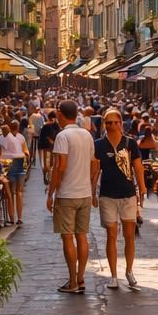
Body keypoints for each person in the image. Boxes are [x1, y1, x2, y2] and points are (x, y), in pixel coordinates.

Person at [94, 108, 146, 290]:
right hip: (107, 194)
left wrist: (143, 188)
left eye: (115, 122)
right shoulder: (99, 145)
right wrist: (93, 190)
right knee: (111, 235)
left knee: (129, 235)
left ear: (120, 123)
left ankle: (129, 271)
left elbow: (138, 168)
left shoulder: (130, 143)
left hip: (128, 194)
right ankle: (113, 275)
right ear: (104, 125)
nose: (112, 126)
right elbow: (95, 169)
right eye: (108, 123)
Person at [48, 99, 96, 294]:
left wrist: (51, 192)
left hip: (67, 194)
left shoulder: (62, 136)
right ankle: (81, 278)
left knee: (67, 238)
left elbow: (60, 167)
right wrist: (91, 187)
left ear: (60, 114)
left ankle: (72, 281)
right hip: (84, 193)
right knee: (82, 236)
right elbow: (94, 163)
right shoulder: (87, 135)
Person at [0, 121, 29, 225]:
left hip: (9, 165)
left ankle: (12, 219)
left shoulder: (2, 138)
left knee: (10, 193)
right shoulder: (21, 137)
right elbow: (26, 152)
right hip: (20, 163)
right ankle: (19, 218)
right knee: (19, 192)